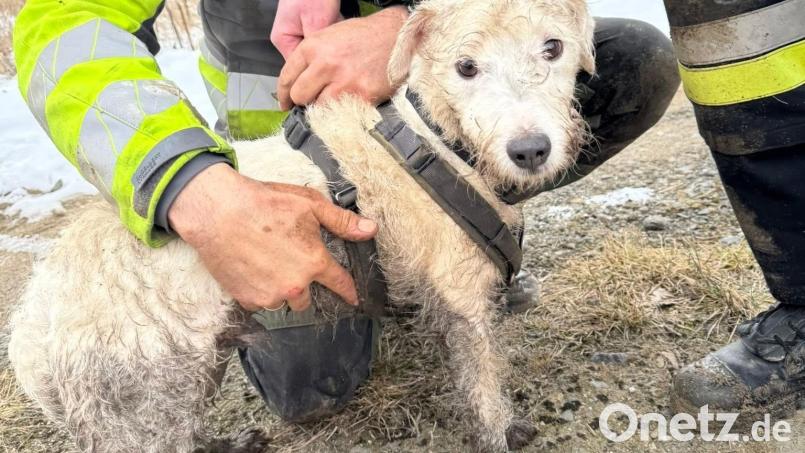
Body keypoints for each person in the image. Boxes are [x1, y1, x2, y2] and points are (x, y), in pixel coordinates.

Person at [13, 0, 679, 421]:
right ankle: (389, 284)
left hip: (425, 122)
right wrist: (188, 184)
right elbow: (65, 26)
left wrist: (410, 21)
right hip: (281, 176)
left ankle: (475, 241)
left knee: (631, 56)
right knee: (316, 393)